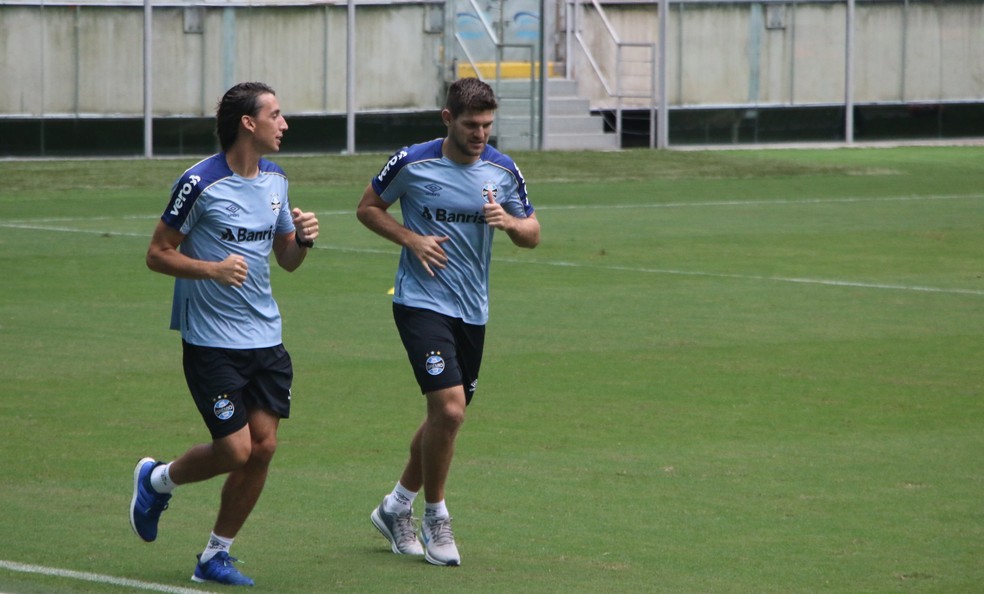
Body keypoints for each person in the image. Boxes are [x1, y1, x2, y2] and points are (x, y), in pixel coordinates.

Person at [129, 81, 320, 587]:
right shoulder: (199, 184)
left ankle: (215, 555)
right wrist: (211, 269)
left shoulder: (276, 180)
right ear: (248, 124)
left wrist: (302, 240)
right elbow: (156, 254)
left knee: (264, 448)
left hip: (266, 337)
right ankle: (156, 480)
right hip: (211, 340)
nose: (285, 123)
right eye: (276, 114)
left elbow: (287, 260)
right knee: (235, 449)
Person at [356, 77, 540, 567]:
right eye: (471, 125)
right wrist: (410, 239)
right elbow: (368, 208)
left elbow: (533, 233)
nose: (481, 134)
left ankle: (395, 506)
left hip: (473, 309)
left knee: (446, 416)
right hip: (419, 301)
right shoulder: (413, 162)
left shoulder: (502, 170)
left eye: (487, 125)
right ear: (447, 118)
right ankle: (435, 516)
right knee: (451, 411)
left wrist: (511, 223)